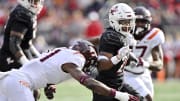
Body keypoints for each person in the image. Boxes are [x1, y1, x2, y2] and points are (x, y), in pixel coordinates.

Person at [0, 40, 139, 101]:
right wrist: (119, 95)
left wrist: (48, 84)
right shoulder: (77, 58)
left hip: (9, 79)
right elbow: (89, 83)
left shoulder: (61, 51)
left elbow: (45, 68)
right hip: (19, 83)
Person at [92, 3, 143, 101]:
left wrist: (130, 57)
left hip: (119, 82)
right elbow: (102, 66)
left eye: (129, 21)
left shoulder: (125, 36)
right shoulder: (110, 37)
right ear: (113, 21)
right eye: (124, 22)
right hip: (105, 87)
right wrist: (118, 57)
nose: (127, 25)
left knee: (140, 99)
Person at [0, 0, 44, 100]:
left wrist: (41, 59)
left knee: (34, 91)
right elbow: (14, 44)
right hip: (10, 59)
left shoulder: (28, 13)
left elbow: (27, 44)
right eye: (36, 1)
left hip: (15, 57)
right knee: (29, 91)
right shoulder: (22, 14)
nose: (38, 3)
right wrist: (27, 64)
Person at [124, 6, 165, 101]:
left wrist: (143, 63)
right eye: (136, 21)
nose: (139, 24)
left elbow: (159, 65)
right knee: (147, 98)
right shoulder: (124, 34)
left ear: (148, 23)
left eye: (142, 22)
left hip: (143, 73)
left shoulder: (154, 35)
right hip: (126, 74)